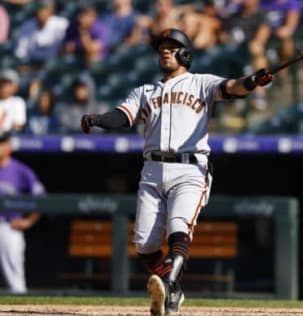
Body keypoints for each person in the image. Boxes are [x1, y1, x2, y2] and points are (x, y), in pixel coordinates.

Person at [79, 28, 273, 316]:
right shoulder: (145, 91)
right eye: (161, 48)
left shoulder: (201, 83)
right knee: (144, 245)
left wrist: (254, 81)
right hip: (152, 169)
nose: (165, 51)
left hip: (190, 168)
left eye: (172, 47)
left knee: (180, 229)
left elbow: (234, 87)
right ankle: (173, 289)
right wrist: (97, 118)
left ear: (185, 54)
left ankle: (168, 283)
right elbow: (123, 116)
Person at [0, 131, 46, 293]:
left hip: (8, 226)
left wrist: (28, 221)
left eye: (2, 143)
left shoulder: (20, 170)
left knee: (15, 280)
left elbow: (42, 199)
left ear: (9, 146)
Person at [218, 0, 271, 110]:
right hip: (234, 52)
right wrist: (229, 39)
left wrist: (255, 43)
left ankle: (259, 94)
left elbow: (263, 35)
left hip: (253, 52)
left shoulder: (261, 15)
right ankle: (237, 94)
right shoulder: (234, 16)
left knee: (257, 52)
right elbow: (223, 35)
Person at [13, 0, 69, 72]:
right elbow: (20, 53)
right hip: (31, 64)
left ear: (52, 10)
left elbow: (65, 50)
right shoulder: (27, 25)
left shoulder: (62, 24)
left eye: (44, 8)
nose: (41, 12)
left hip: (53, 65)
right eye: (39, 8)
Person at [62, 2, 109, 67]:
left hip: (98, 60)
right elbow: (65, 49)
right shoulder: (73, 26)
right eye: (81, 14)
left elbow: (91, 50)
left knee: (93, 58)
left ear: (94, 16)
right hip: (77, 56)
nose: (82, 18)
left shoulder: (100, 28)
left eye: (86, 15)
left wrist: (84, 32)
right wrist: (68, 48)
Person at [0, 68, 27, 133]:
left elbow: (18, 126)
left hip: (8, 138)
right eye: (2, 83)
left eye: (7, 84)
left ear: (15, 87)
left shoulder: (18, 102)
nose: (3, 86)